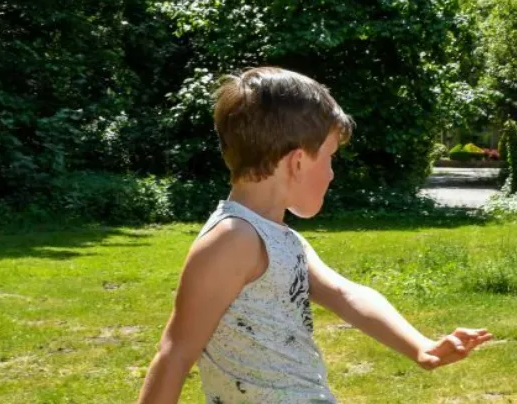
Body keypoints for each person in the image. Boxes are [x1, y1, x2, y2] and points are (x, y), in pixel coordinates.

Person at [138, 67, 493, 403]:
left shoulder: (280, 238)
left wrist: (420, 345)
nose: (332, 174)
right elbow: (175, 354)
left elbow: (345, 294)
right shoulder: (231, 240)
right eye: (330, 158)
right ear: (296, 162)